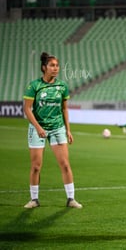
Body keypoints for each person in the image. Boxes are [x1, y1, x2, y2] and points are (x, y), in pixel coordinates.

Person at [23, 52, 82, 209]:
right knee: (36, 166)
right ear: (44, 68)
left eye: (57, 65)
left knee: (64, 164)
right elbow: (27, 109)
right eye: (52, 65)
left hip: (57, 128)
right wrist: (38, 127)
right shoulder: (34, 86)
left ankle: (71, 199)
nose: (55, 68)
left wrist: (68, 130)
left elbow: (64, 109)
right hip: (38, 128)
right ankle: (34, 199)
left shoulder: (62, 86)